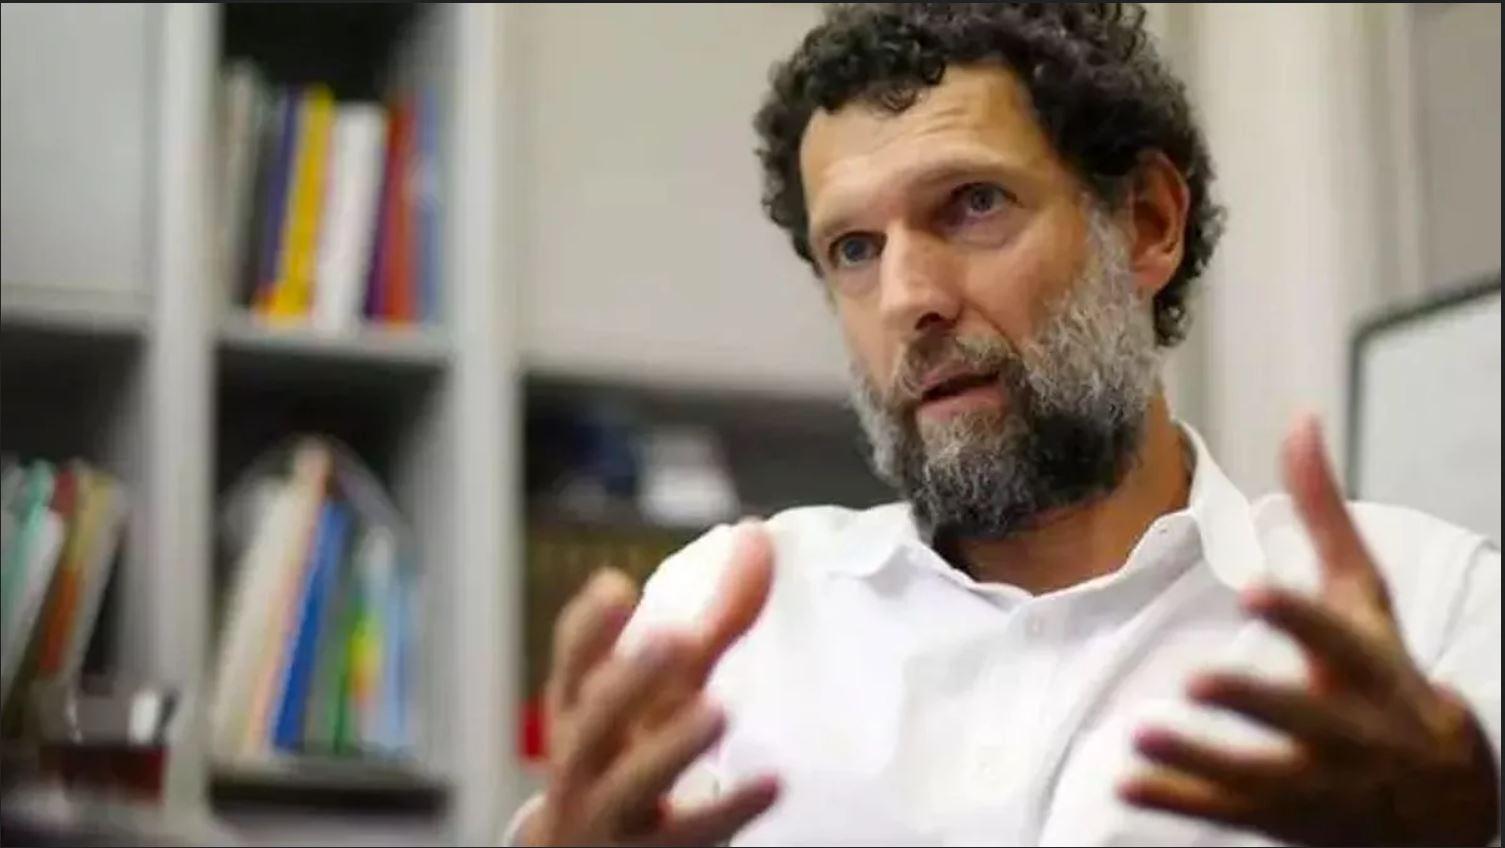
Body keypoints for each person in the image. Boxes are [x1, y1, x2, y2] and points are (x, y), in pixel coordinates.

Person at [511, 4, 1501, 845]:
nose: (908, 297)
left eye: (971, 203)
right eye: (853, 248)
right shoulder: (730, 624)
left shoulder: (1430, 614)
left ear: (1146, 222)